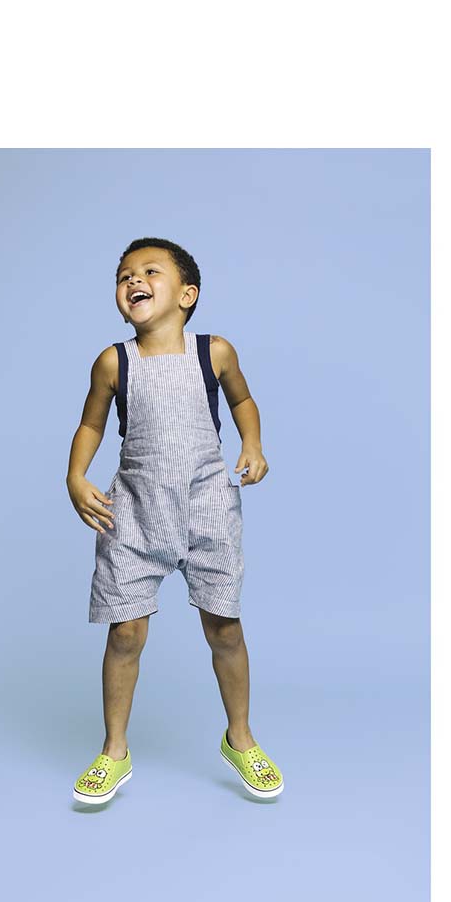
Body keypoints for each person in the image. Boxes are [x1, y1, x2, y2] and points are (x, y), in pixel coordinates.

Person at [66, 237, 284, 804]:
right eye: (124, 275)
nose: (133, 280)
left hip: (207, 507)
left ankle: (240, 738)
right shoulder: (114, 362)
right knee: (125, 632)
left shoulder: (215, 352)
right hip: (136, 511)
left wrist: (253, 444)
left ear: (187, 295)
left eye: (149, 271)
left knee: (224, 626)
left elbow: (242, 401)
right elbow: (91, 424)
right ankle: (114, 749)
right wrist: (76, 476)